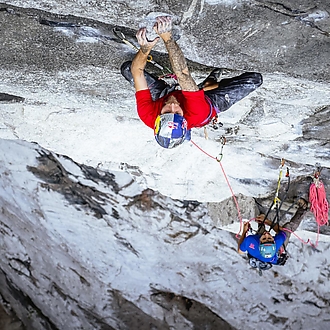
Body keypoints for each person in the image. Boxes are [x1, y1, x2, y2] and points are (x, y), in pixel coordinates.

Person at [120, 16, 263, 149]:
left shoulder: (148, 115)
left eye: (167, 112)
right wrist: (168, 38)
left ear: (158, 118)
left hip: (162, 95)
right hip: (208, 103)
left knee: (127, 69)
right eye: (177, 112)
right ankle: (210, 84)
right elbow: (182, 74)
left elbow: (136, 72)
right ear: (184, 121)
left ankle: (200, 87)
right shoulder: (197, 113)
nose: (173, 105)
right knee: (254, 80)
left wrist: (145, 48)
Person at [237, 198, 308, 265]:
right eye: (270, 238)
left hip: (260, 252)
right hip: (275, 255)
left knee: (261, 228)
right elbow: (280, 230)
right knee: (288, 227)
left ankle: (261, 217)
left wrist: (244, 230)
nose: (267, 234)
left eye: (264, 238)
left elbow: (240, 251)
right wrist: (268, 222)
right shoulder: (279, 241)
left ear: (259, 242)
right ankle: (303, 208)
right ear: (274, 241)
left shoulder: (250, 241)